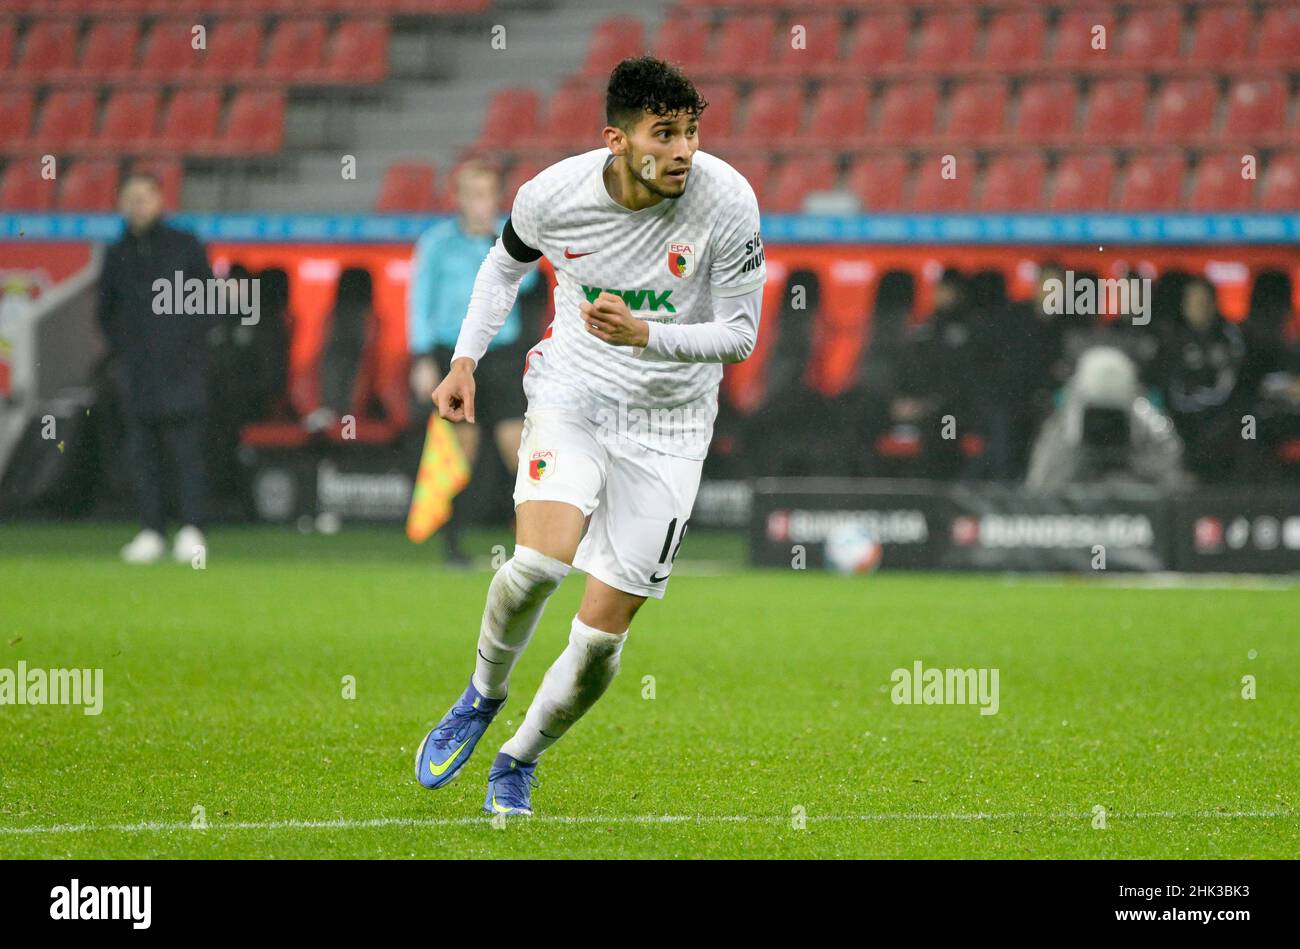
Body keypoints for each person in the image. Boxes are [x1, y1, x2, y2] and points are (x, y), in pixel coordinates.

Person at [413, 56, 765, 816]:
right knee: (540, 562)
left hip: (671, 424)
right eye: (663, 133)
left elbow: (740, 336)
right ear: (616, 138)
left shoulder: (729, 201)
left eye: (692, 132)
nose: (683, 150)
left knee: (603, 640)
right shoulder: (552, 197)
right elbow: (502, 269)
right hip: (573, 393)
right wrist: (464, 361)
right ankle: (482, 693)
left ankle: (519, 758)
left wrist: (648, 334)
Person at [407, 160, 537, 564]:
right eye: (475, 194)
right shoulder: (436, 243)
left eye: (488, 194)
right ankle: (452, 544)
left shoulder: (504, 241)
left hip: (501, 356)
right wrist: (421, 357)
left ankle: (532, 543)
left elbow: (528, 282)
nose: (483, 202)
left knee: (516, 446)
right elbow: (419, 302)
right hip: (452, 357)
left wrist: (494, 244)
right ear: (458, 197)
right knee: (460, 449)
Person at [96, 172, 213, 564]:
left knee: (187, 453)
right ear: (121, 204)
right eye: (130, 198)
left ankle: (193, 528)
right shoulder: (116, 253)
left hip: (183, 369)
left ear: (161, 200)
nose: (137, 205)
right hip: (138, 373)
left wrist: (186, 348)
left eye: (144, 197)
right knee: (143, 455)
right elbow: (106, 314)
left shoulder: (184, 246)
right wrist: (127, 353)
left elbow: (205, 304)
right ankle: (151, 530)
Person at [1026, 346, 1188, 490]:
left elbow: (1172, 482)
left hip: (1133, 495)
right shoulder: (1064, 425)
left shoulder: (1147, 420)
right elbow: (1041, 483)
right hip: (1078, 498)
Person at [1155, 277, 1247, 483]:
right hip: (1179, 416)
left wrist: (1201, 402)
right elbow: (1171, 389)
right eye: (1193, 302)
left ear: (1214, 304)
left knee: (1247, 423)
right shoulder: (1172, 337)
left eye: (1203, 301)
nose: (1199, 307)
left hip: (1220, 417)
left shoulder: (1229, 336)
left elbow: (1227, 388)